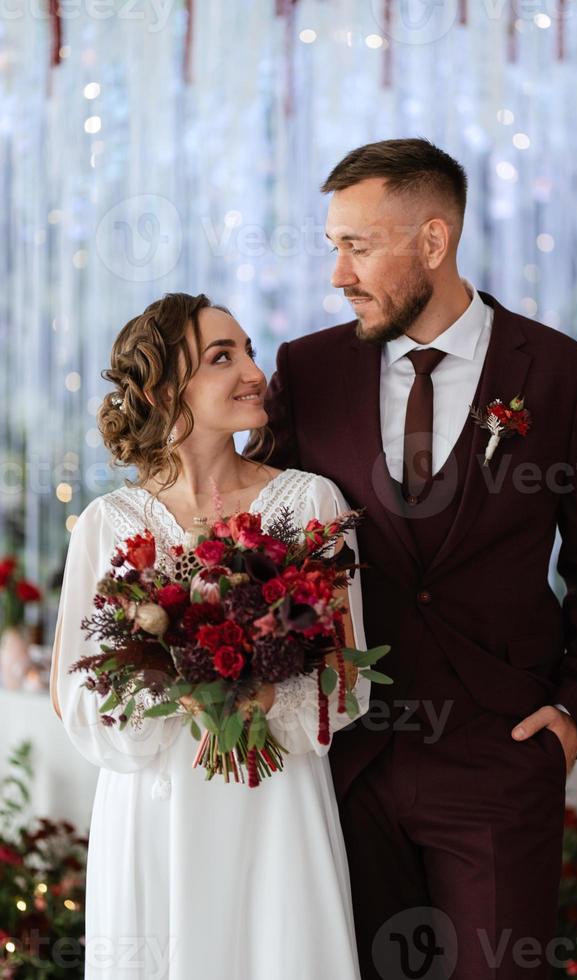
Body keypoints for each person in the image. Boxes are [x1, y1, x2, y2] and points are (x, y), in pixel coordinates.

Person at [244, 138, 577, 979]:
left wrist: (574, 712)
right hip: (347, 761)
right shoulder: (307, 371)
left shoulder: (563, 374)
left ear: (433, 241)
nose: (337, 275)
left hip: (498, 756)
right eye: (332, 247)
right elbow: (255, 531)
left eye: (358, 246)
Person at [50, 292, 370, 980]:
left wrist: (261, 692)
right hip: (153, 813)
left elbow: (349, 683)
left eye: (250, 350)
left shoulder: (311, 504)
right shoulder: (108, 525)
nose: (253, 371)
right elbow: (75, 699)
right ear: (167, 388)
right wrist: (177, 695)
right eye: (223, 357)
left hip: (275, 804)